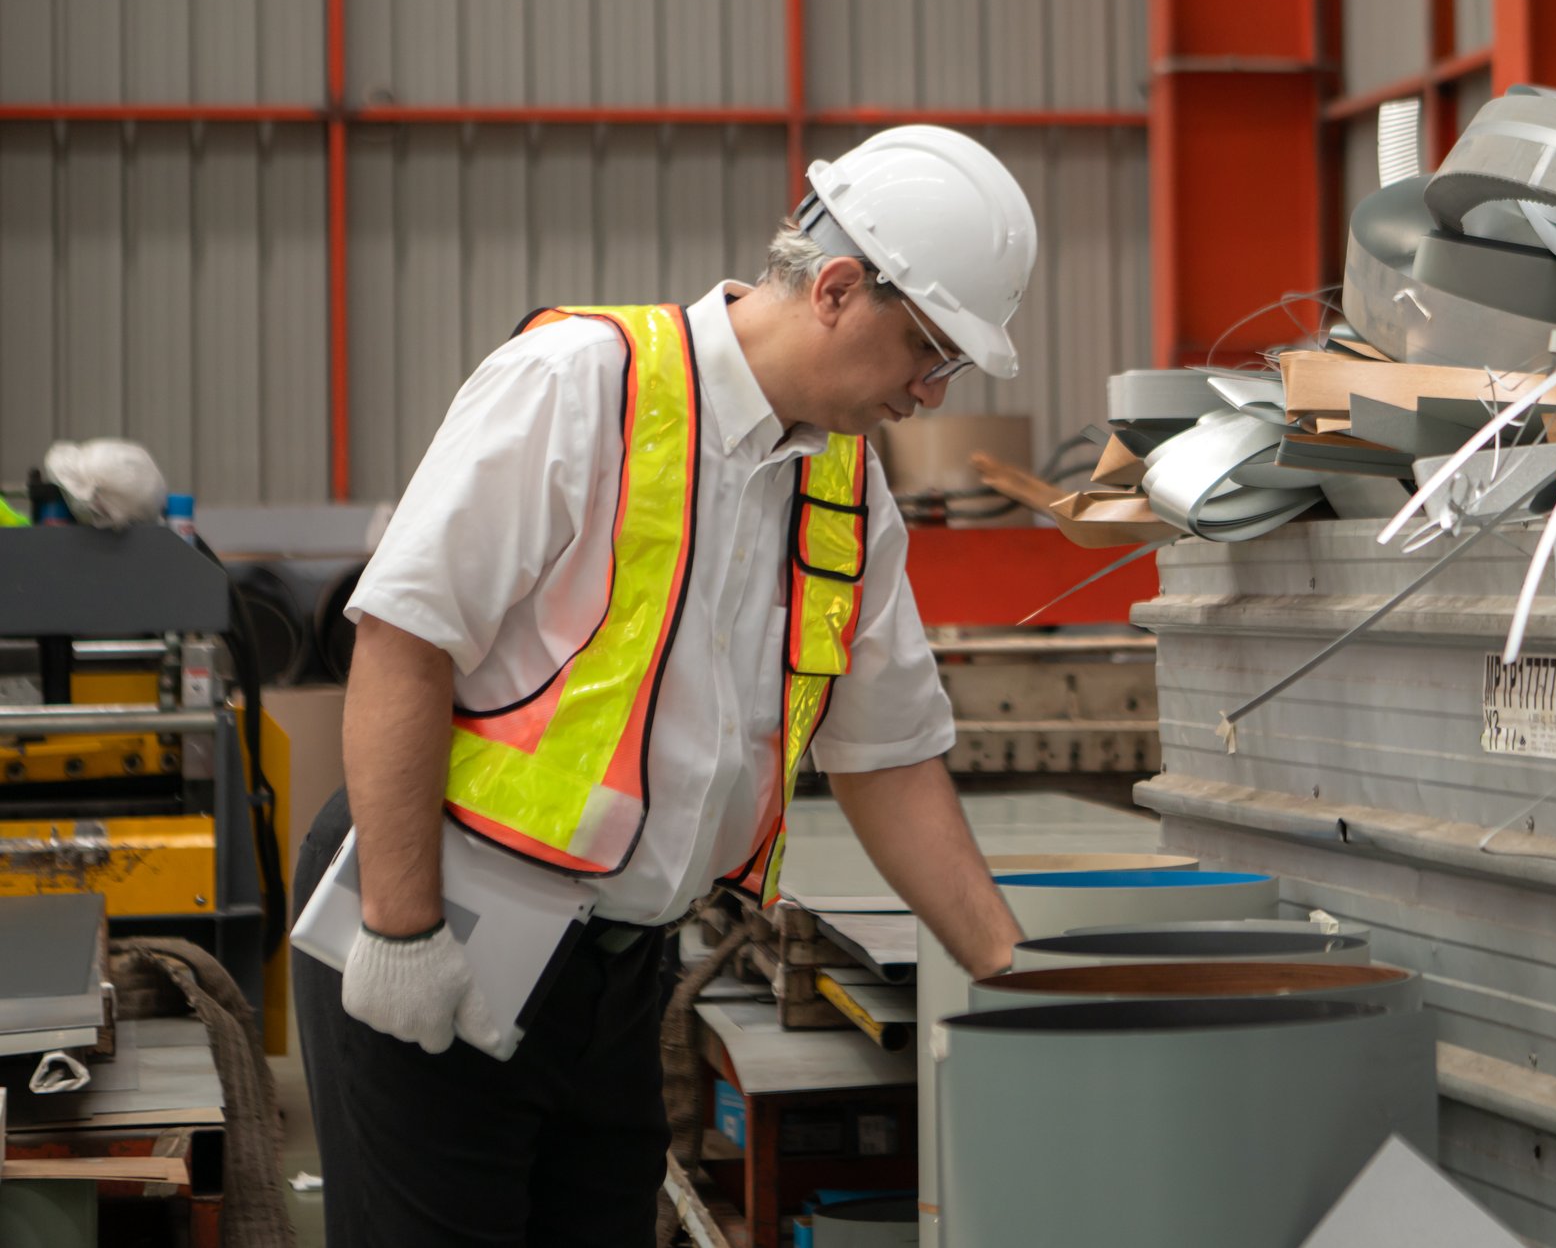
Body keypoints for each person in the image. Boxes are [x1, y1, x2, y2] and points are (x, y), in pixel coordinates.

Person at [291, 126, 1034, 1247]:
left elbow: (887, 756)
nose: (931, 393)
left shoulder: (842, 486)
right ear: (837, 287)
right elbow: (405, 639)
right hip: (441, 906)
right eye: (929, 351)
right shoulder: (582, 381)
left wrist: (1009, 972)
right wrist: (401, 928)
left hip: (617, 969)